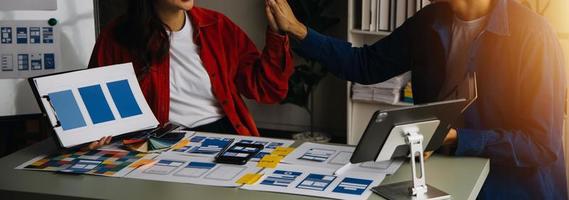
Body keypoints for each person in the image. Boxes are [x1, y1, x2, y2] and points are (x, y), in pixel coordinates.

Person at [266, 0, 567, 199]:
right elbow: (366, 64)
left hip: (514, 186)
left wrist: (455, 138)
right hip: (442, 169)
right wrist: (298, 30)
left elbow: (541, 145)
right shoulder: (430, 20)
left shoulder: (534, 35)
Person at [86, 0, 294, 149]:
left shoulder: (218, 26)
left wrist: (277, 35)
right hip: (159, 141)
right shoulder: (117, 35)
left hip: (223, 132)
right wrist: (95, 134)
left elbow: (267, 89)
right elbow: (96, 102)